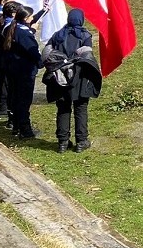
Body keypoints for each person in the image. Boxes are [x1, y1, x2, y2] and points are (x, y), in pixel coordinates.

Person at [43, 9, 101, 153]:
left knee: (63, 109)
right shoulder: (85, 35)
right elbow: (88, 55)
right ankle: (81, 141)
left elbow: (46, 53)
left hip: (59, 77)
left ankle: (62, 142)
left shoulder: (57, 35)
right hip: (79, 78)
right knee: (81, 109)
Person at [2, 4, 42, 139]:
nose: (32, 18)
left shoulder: (12, 27)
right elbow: (32, 51)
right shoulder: (24, 34)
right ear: (25, 18)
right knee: (24, 101)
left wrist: (43, 11)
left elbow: (31, 21)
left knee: (15, 97)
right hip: (24, 71)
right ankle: (26, 130)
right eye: (30, 16)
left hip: (12, 68)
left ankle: (16, 124)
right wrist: (41, 63)